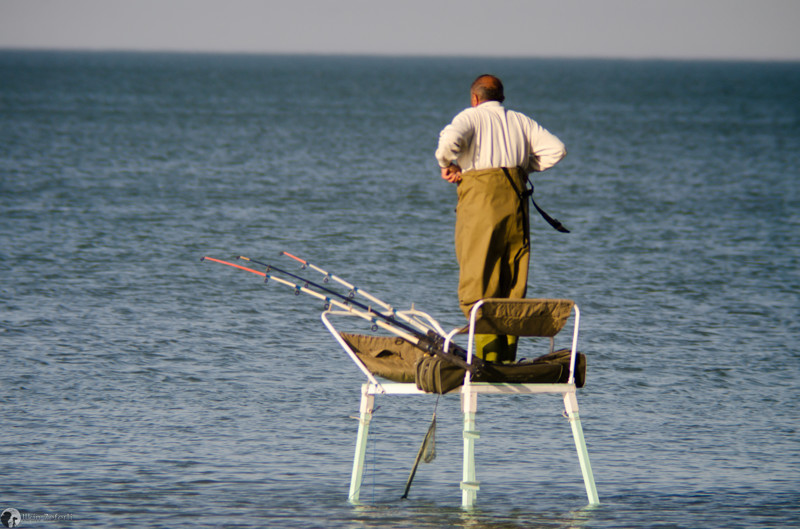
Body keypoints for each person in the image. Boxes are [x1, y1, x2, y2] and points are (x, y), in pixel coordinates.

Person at [435, 74, 566, 363]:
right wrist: (522, 169)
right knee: (512, 282)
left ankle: (486, 360)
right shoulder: (521, 121)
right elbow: (557, 149)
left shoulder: (470, 117)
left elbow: (448, 144)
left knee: (478, 282)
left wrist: (449, 164)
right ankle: (505, 360)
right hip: (516, 206)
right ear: (502, 99)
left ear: (475, 98)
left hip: (480, 205)